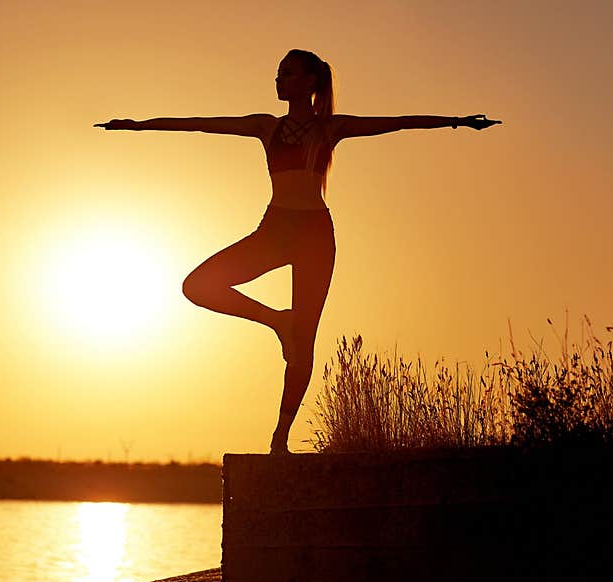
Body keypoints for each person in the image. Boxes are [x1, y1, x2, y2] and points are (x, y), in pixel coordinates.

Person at [94, 49, 502, 455]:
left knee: (304, 342)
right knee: (197, 286)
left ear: (309, 82)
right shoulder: (266, 127)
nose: (277, 80)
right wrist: (139, 126)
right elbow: (200, 125)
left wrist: (457, 121)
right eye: (277, 73)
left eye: (286, 74)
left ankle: (279, 440)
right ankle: (277, 321)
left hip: (315, 237)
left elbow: (396, 124)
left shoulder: (330, 129)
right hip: (274, 231)